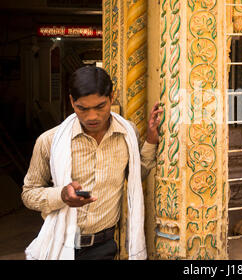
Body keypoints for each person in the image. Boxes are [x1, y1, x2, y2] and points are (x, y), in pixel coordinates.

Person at [22, 66, 162, 260]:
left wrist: (151, 141)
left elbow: (137, 175)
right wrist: (61, 195)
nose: (92, 116)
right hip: (59, 243)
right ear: (72, 101)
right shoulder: (49, 141)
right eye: (83, 108)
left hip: (103, 247)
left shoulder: (127, 134)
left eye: (100, 106)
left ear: (112, 97)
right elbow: (29, 193)